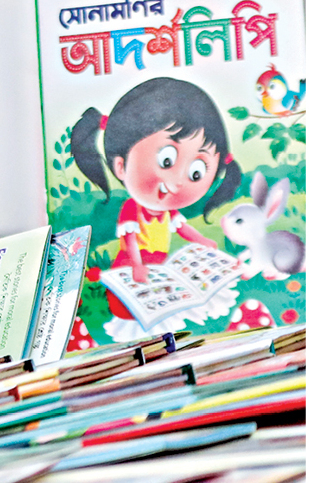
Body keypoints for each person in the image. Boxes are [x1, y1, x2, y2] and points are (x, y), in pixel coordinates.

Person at [69, 77, 242, 338]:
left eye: (196, 172)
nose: (176, 182)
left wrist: (202, 240)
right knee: (135, 314)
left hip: (160, 267)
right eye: (167, 160)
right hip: (130, 267)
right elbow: (130, 240)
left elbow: (183, 229)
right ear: (120, 166)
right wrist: (137, 265)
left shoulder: (168, 212)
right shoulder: (132, 209)